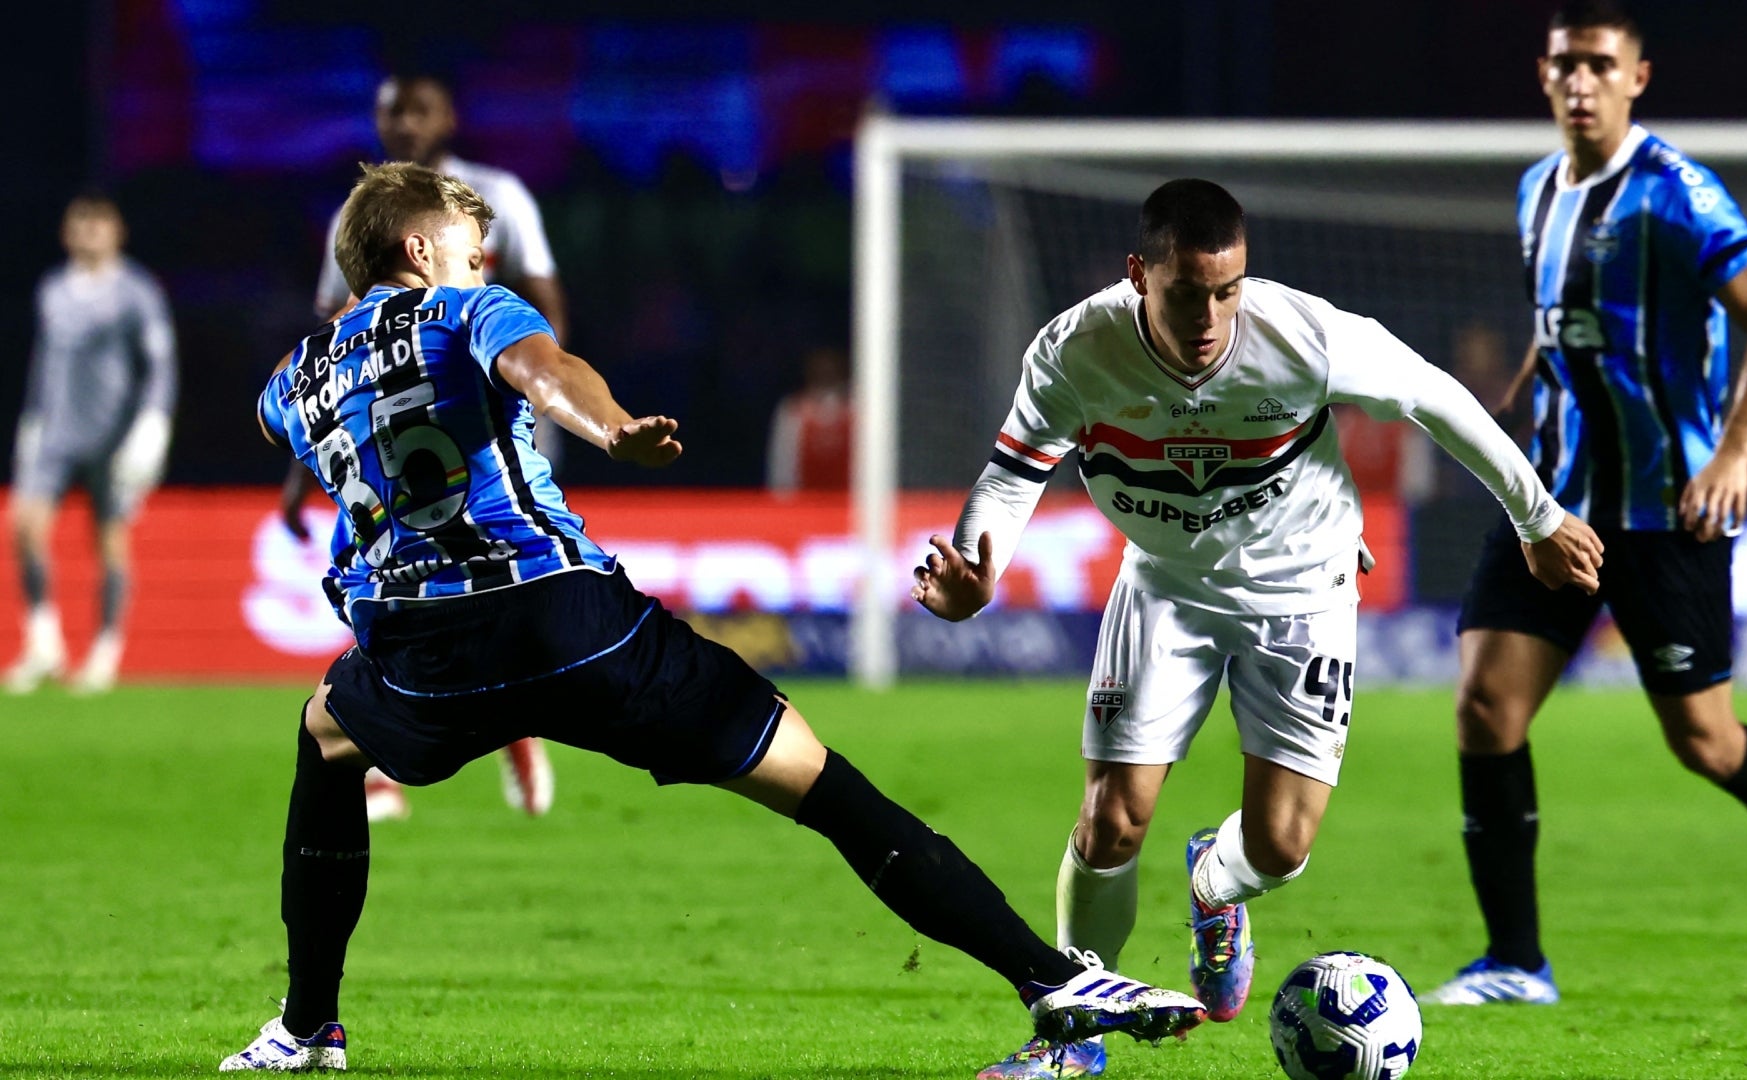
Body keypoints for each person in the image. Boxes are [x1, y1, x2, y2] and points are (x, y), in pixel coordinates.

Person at [218, 162, 1206, 1072]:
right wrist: (613, 430)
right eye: (470, 247)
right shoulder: (468, 306)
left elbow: (275, 417)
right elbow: (541, 369)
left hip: (419, 655)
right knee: (822, 786)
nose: (484, 261)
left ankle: (308, 1026)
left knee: (326, 736)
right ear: (418, 251)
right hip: (567, 620)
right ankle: (1050, 976)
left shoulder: (296, 376)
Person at [912, 178, 1603, 1079]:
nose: (1210, 314)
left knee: (1280, 845)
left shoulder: (1304, 337)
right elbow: (1012, 473)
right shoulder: (1077, 349)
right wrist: (978, 567)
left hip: (1304, 590)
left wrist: (1537, 517)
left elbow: (1436, 398)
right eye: (1187, 292)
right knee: (1112, 820)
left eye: (1226, 289)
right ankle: (1072, 1039)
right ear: (1139, 276)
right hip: (1165, 586)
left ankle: (1215, 882)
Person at [1422, 0, 1747, 1008]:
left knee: (1704, 742)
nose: (1580, 81)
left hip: (1667, 508)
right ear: (1542, 78)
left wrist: (1735, 456)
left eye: (1599, 63)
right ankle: (1514, 962)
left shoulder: (1678, 194)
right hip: (1555, 499)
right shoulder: (1537, 189)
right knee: (1486, 706)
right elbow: (1566, 319)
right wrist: (1525, 388)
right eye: (1564, 64)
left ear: (1637, 77)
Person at [290, 71, 570, 820]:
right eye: (392, 112)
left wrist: (529, 399)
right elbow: (329, 355)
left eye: (419, 110)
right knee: (388, 579)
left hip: (484, 427)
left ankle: (513, 730)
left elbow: (546, 310)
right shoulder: (360, 219)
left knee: (494, 581)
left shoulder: (498, 198)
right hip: (388, 432)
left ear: (448, 116)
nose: (405, 124)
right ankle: (382, 761)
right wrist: (296, 480)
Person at [5, 193, 175, 695]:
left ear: (117, 232)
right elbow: (46, 361)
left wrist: (152, 424)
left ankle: (105, 650)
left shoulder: (136, 291)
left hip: (113, 436)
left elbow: (160, 364)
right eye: (80, 224)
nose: (89, 232)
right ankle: (43, 643)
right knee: (25, 526)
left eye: (98, 224)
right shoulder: (53, 288)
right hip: (56, 430)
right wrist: (31, 421)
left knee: (109, 541)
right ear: (66, 232)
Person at [765, 344, 853, 494]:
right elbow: (782, 464)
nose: (826, 374)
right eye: (821, 371)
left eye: (831, 371)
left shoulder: (857, 410)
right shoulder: (793, 410)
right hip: (804, 504)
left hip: (849, 502)